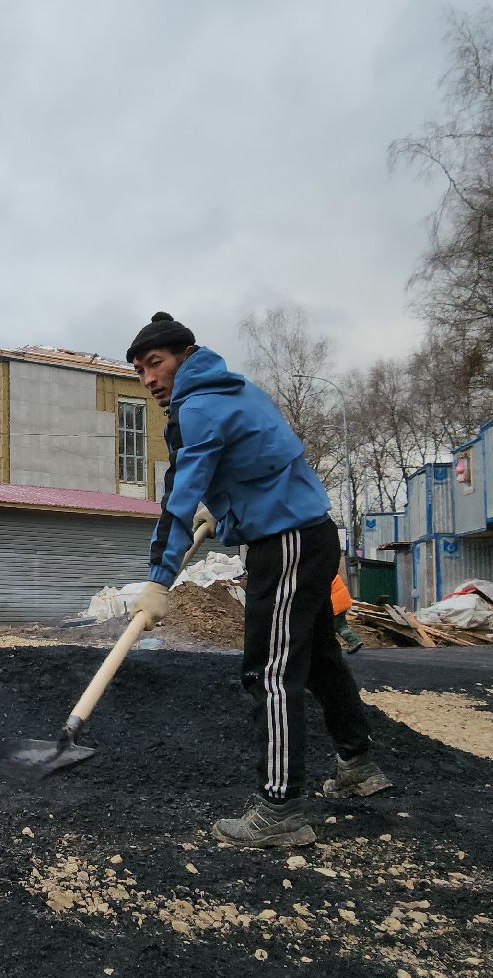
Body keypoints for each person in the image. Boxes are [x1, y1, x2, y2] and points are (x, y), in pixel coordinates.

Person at [125, 312, 391, 848]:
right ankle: (357, 766)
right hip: (307, 532)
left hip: (284, 539)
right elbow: (259, 466)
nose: (149, 379)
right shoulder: (235, 389)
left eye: (155, 364)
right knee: (317, 656)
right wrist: (221, 517)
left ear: (184, 354)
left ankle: (280, 808)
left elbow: (180, 492)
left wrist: (160, 577)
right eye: (138, 371)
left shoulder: (196, 408)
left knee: (269, 669)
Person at [331, 572, 363, 654]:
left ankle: (330, 650)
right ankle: (354, 641)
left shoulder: (322, 573)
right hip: (343, 602)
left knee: (329, 630)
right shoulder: (331, 571)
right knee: (341, 626)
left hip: (335, 605)